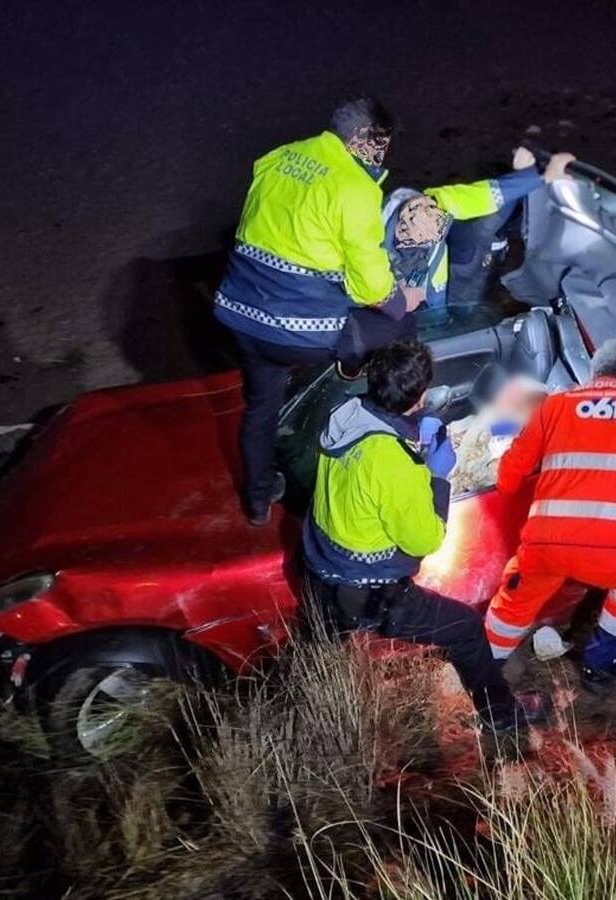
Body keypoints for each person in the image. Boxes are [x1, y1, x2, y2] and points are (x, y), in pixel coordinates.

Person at [302, 339, 544, 732]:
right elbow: (425, 540)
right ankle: (502, 717)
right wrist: (436, 477)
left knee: (323, 644)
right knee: (465, 629)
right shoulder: (395, 466)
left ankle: (315, 703)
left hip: (321, 567)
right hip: (369, 593)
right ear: (420, 396)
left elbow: (368, 461)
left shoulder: (343, 415)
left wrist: (412, 429)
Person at [214, 98, 425, 526]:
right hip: (296, 331)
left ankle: (257, 501)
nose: (382, 155)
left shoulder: (278, 157)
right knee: (401, 322)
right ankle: (392, 414)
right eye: (380, 144)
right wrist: (404, 298)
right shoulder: (356, 188)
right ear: (360, 138)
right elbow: (371, 288)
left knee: (260, 408)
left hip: (238, 315)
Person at [483, 287, 616, 689]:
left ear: (595, 372)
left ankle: (483, 668)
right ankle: (599, 663)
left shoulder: (555, 406)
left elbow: (512, 469)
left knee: (515, 599)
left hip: (549, 545)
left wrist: (508, 490)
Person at [382, 147, 577, 309]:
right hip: (445, 294)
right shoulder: (371, 244)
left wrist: (534, 176)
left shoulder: (434, 205)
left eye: (437, 233)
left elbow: (486, 196)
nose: (435, 239)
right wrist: (396, 302)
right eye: (425, 238)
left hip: (451, 285)